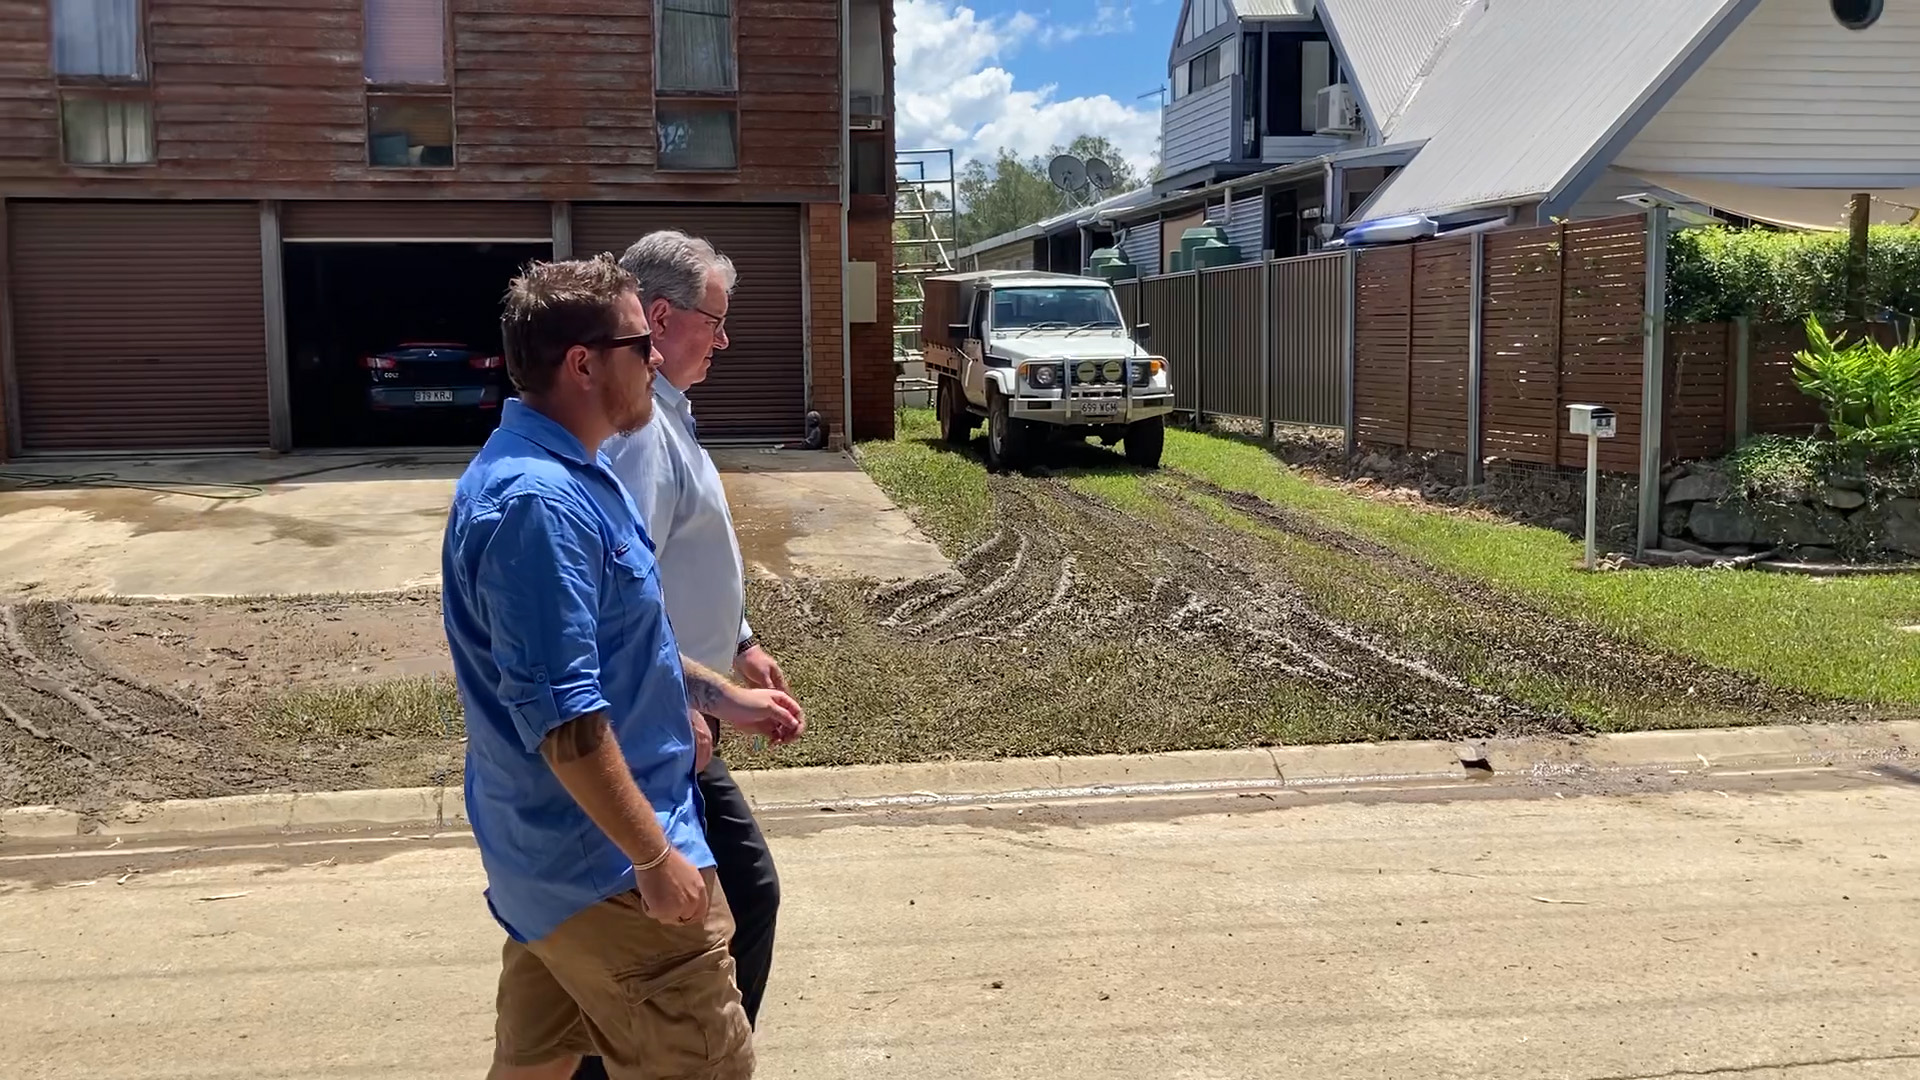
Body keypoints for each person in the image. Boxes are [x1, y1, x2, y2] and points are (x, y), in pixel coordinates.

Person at [442, 255, 804, 1080]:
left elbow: (626, 644)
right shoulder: (539, 504)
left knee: (538, 1066)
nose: (655, 360)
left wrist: (723, 694)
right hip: (602, 869)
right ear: (582, 364)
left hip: (559, 870)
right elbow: (564, 718)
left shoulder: (580, 474)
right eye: (641, 345)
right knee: (707, 1066)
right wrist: (653, 858)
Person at [605, 231, 796, 1025]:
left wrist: (742, 641)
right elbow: (623, 587)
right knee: (726, 905)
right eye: (713, 320)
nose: (724, 338)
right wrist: (680, 698)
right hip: (664, 720)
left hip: (688, 712)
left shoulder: (669, 416)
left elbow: (686, 557)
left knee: (735, 900)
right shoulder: (641, 434)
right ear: (658, 316)